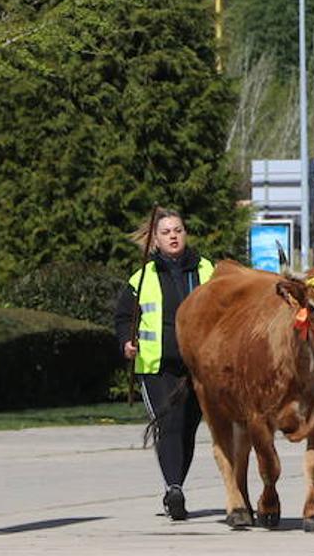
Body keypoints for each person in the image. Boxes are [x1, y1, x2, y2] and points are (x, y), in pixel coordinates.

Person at [114, 207, 214, 522]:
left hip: (199, 365)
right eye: (166, 232)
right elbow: (123, 317)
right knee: (168, 424)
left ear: (185, 234)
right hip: (157, 366)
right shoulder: (141, 277)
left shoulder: (208, 271)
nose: (173, 236)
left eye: (178, 230)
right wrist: (125, 343)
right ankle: (174, 488)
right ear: (155, 240)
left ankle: (176, 488)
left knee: (187, 428)